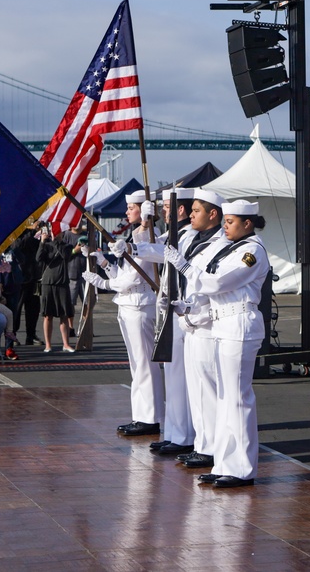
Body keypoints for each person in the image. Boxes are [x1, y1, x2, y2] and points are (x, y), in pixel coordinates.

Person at [172, 199, 269, 489]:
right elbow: (212, 286)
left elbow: (218, 284)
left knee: (238, 400)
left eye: (230, 222)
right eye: (224, 221)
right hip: (223, 325)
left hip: (239, 326)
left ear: (247, 223)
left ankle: (242, 468)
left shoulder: (252, 251)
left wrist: (186, 268)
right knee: (226, 400)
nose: (225, 226)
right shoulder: (233, 248)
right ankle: (226, 463)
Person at [129, 187, 198, 456]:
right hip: (169, 308)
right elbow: (156, 247)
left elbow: (160, 251)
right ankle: (174, 432)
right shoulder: (176, 234)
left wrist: (137, 246)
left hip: (183, 310)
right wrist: (137, 240)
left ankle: (183, 436)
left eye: (167, 209)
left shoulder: (188, 235)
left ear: (179, 210)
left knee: (180, 376)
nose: (164, 213)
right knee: (172, 374)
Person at [163, 188, 227, 470]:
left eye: (197, 210)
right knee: (196, 390)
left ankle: (211, 448)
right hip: (189, 320)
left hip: (207, 322)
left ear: (213, 214)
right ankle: (202, 444)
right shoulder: (193, 237)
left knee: (209, 392)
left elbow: (213, 282)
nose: (191, 214)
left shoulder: (221, 243)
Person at [91, 190, 163, 437]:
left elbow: (131, 278)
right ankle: (141, 415)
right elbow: (123, 276)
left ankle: (150, 418)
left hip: (140, 305)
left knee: (144, 364)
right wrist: (105, 264)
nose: (126, 211)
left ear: (143, 210)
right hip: (129, 305)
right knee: (137, 364)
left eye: (131, 207)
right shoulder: (134, 236)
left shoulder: (146, 238)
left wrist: (104, 284)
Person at [36, 224, 77, 352]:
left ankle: (66, 344)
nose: (55, 233)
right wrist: (42, 242)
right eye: (54, 231)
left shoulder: (66, 246)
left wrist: (57, 241)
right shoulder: (46, 246)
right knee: (48, 315)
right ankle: (48, 344)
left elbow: (66, 256)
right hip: (48, 282)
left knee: (64, 314)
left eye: (58, 232)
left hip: (62, 282)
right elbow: (38, 258)